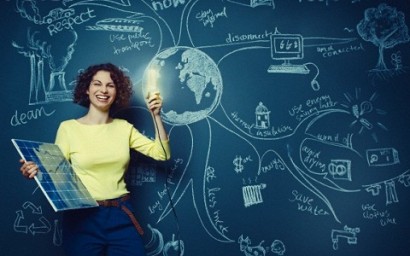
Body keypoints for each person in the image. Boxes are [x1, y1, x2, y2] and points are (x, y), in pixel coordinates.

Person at [19, 63, 170, 256]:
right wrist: (34, 170)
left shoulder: (124, 128)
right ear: (87, 89)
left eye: (111, 85)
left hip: (120, 212)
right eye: (97, 84)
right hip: (81, 216)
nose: (103, 90)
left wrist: (156, 116)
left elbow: (163, 154)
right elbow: (57, 173)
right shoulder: (68, 128)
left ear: (117, 92)